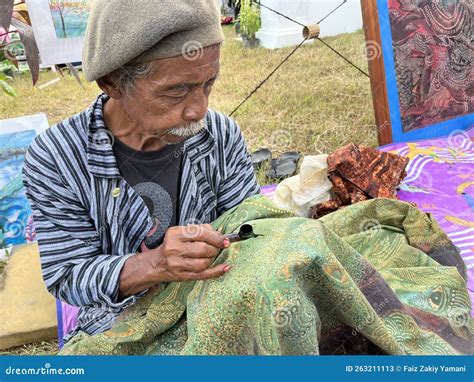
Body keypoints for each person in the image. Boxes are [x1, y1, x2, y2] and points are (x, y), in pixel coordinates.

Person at [22, 0, 259, 344]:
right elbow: (68, 275)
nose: (199, 110)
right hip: (119, 323)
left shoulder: (219, 135)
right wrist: (155, 266)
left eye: (208, 84)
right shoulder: (56, 158)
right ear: (112, 82)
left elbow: (249, 225)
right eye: (177, 90)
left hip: (217, 300)